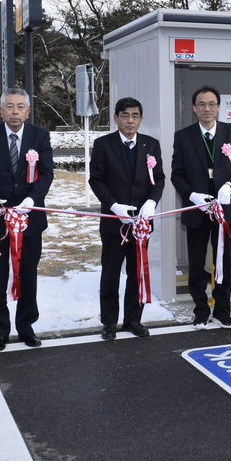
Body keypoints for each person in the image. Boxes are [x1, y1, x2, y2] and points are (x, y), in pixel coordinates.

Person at [0, 88, 54, 352]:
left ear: (28, 111)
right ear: (1, 110)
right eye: (9, 106)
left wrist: (33, 199)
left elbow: (46, 173)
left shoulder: (40, 136)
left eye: (20, 106)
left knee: (27, 273)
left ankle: (26, 327)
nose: (14, 111)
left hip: (29, 220)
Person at [171, 85, 231, 330]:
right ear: (194, 108)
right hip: (197, 210)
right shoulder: (183, 136)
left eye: (212, 103)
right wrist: (191, 195)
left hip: (225, 208)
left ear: (218, 106)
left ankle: (222, 311)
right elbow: (177, 174)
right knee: (196, 261)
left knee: (223, 260)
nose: (207, 108)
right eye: (202, 104)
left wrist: (229, 187)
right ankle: (201, 311)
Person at [89, 98, 166, 340]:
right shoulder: (103, 144)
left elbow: (159, 179)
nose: (130, 120)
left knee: (138, 272)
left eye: (135, 115)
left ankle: (133, 319)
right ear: (116, 118)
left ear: (141, 119)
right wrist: (113, 206)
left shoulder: (151, 145)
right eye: (124, 115)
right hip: (114, 223)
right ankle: (109, 322)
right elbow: (96, 180)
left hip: (141, 224)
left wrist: (152, 202)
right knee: (111, 273)